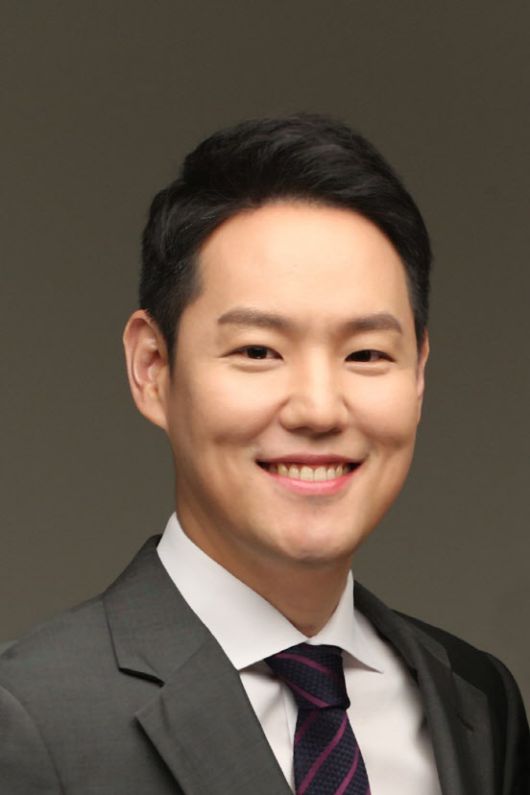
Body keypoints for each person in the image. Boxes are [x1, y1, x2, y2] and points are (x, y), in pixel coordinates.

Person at [0, 114, 528, 795]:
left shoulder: (477, 704)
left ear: (419, 375)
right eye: (258, 351)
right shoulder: (31, 718)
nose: (319, 409)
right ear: (152, 367)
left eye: (367, 354)